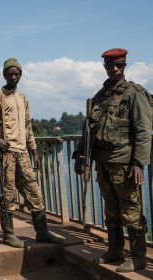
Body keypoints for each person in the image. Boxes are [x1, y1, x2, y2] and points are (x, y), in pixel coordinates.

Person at [73, 48, 151, 273]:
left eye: (120, 65)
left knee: (131, 210)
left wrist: (138, 163)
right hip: (102, 161)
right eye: (111, 66)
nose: (115, 69)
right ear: (105, 67)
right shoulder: (101, 95)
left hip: (124, 163)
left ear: (125, 66)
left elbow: (144, 130)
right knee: (111, 210)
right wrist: (80, 155)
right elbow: (88, 128)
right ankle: (115, 250)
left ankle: (138, 258)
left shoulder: (134, 93)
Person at [0, 58, 64, 248]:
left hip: (22, 153)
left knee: (34, 192)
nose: (13, 77)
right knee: (7, 194)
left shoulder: (23, 98)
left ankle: (42, 232)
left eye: (16, 74)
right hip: (6, 154)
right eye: (10, 74)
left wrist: (34, 151)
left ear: (20, 75)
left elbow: (27, 127)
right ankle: (9, 234)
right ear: (5, 75)